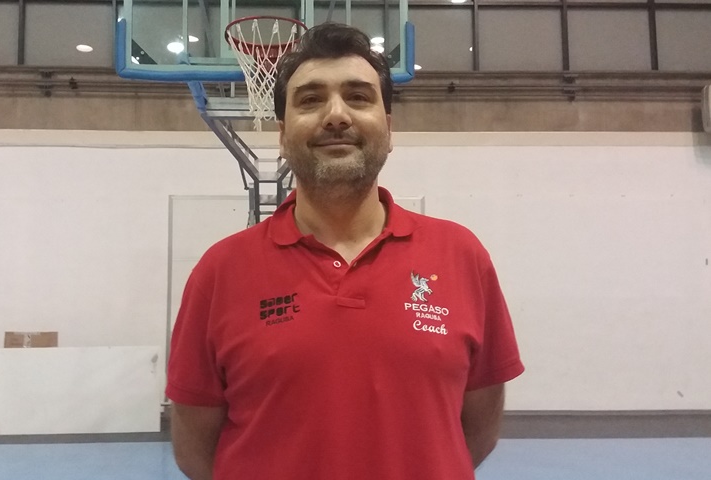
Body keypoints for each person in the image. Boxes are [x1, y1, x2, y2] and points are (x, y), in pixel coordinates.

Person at [166, 22, 524, 480]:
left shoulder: (462, 256)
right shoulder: (221, 271)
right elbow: (195, 448)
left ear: (388, 129)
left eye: (358, 97)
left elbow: (478, 427)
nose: (336, 115)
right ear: (282, 134)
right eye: (310, 100)